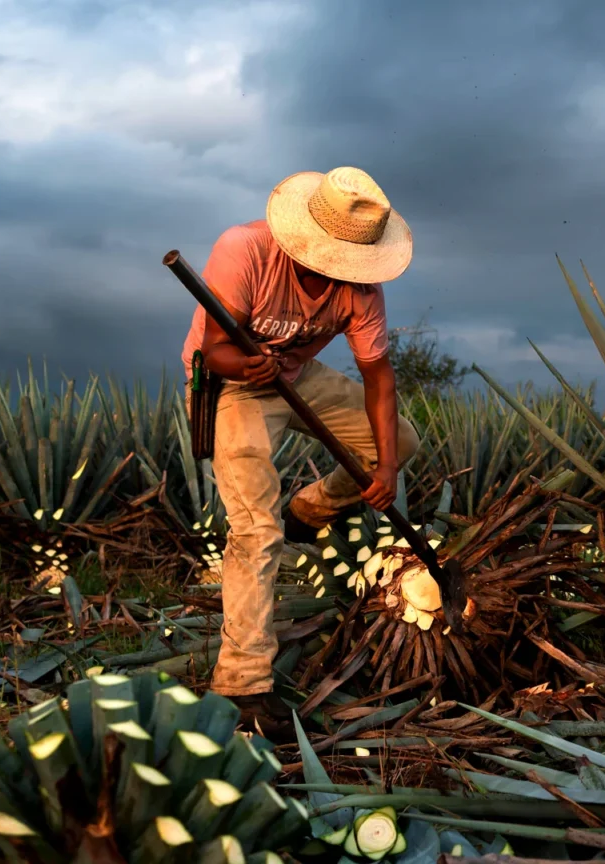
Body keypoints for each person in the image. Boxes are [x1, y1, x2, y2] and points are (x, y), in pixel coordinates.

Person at [180, 167, 420, 735]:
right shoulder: (246, 250)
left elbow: (378, 379)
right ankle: (241, 684)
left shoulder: (361, 290)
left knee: (400, 440)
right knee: (255, 530)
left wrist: (383, 467)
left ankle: (309, 510)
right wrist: (246, 363)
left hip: (297, 375)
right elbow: (215, 350)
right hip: (233, 383)